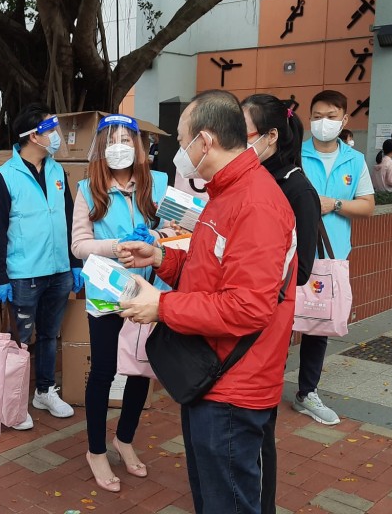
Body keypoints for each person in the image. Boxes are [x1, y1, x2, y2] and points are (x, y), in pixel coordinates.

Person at [116, 90, 298, 514]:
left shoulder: (255, 203)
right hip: (210, 374)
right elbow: (210, 270)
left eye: (181, 141)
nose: (179, 151)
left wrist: (161, 307)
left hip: (233, 386)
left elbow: (248, 307)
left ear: (206, 141)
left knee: (228, 504)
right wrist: (161, 258)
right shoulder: (226, 192)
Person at [71, 114, 173, 493]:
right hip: (106, 292)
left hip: (148, 292)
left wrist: (155, 237)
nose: (119, 146)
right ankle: (96, 450)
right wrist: (117, 247)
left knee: (139, 369)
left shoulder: (158, 183)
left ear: (139, 146)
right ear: (100, 147)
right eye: (111, 139)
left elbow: (178, 230)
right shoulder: (87, 189)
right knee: (103, 370)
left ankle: (124, 439)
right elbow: (79, 244)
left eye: (126, 139)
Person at [241, 94, 320, 514]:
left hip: (266, 322)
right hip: (242, 317)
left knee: (259, 429)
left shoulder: (295, 187)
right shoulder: (252, 176)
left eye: (244, 132)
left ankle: (260, 505)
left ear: (272, 135)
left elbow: (302, 268)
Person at [0, 103, 83, 430]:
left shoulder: (58, 171)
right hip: (23, 275)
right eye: (49, 128)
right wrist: (0, 276)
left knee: (49, 337)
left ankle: (44, 392)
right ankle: (14, 403)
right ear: (31, 135)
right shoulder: (3, 177)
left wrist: (75, 263)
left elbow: (70, 219)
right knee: (20, 340)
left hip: (58, 271)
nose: (55, 136)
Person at [298, 90, 374, 426]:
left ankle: (307, 393)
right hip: (288, 254)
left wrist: (335, 204)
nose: (323, 122)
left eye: (331, 116)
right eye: (317, 115)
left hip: (331, 257)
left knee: (318, 326)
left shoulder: (354, 161)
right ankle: (262, 390)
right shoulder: (294, 154)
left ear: (344, 120)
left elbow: (368, 206)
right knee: (278, 321)